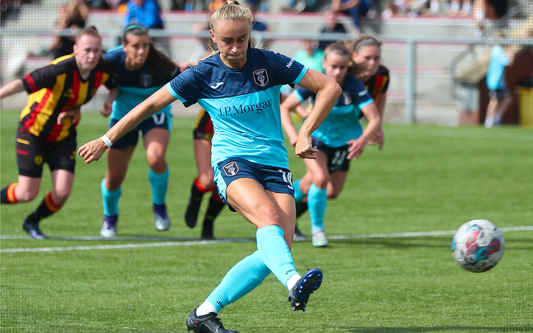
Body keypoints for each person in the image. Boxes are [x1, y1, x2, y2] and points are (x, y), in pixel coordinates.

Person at [78, 1, 341, 331]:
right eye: (227, 41)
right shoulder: (201, 74)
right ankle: (293, 283)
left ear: (251, 35)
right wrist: (106, 140)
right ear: (213, 37)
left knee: (277, 246)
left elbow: (329, 86)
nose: (234, 48)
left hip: (275, 164)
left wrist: (305, 131)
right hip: (232, 162)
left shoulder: (271, 63)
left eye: (242, 40)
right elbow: (146, 107)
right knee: (268, 218)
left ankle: (203, 313)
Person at [0, 26, 115, 239]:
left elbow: (114, 86)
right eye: (87, 50)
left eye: (96, 51)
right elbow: (23, 84)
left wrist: (109, 99)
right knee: (26, 193)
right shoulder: (60, 69)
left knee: (62, 193)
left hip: (63, 135)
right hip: (33, 132)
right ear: (75, 49)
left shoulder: (102, 70)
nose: (92, 55)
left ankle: (32, 221)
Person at [281, 42, 381, 247]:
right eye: (333, 66)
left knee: (331, 191)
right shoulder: (314, 82)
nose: (338, 71)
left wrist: (362, 139)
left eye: (342, 67)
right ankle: (318, 230)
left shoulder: (353, 85)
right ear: (324, 63)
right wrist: (294, 135)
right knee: (320, 178)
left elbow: (375, 119)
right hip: (317, 140)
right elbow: (285, 108)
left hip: (344, 144)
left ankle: (289, 194)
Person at [98, 24, 180, 237]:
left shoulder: (160, 63)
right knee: (114, 178)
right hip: (123, 118)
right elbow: (103, 82)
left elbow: (182, 79)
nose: (142, 51)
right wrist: (109, 98)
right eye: (136, 46)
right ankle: (110, 217)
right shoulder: (110, 60)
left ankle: (159, 207)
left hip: (155, 117)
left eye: (145, 45)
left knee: (156, 158)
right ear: (124, 46)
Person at [184, 109, 226, 239]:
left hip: (234, 135)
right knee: (207, 180)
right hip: (207, 129)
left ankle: (209, 221)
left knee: (226, 183)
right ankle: (195, 200)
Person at [484, 39, 513, 128]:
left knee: (507, 99)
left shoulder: (497, 49)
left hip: (499, 82)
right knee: (494, 100)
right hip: (495, 81)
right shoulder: (497, 49)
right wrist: (511, 53)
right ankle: (489, 121)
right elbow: (508, 62)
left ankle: (496, 118)